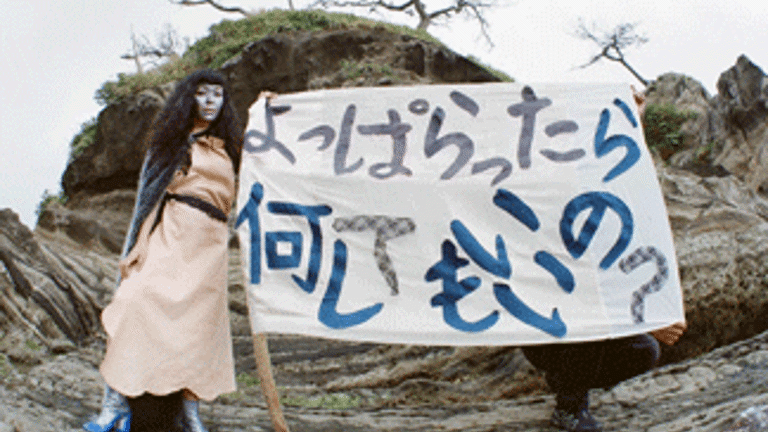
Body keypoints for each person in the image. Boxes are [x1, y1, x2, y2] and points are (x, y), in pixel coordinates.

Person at [83, 69, 244, 432]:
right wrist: (137, 246)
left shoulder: (230, 148)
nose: (209, 101)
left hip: (212, 241)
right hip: (173, 231)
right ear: (190, 97)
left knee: (200, 328)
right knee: (134, 301)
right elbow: (150, 199)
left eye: (217, 94)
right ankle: (114, 404)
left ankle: (189, 412)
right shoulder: (173, 142)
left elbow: (266, 157)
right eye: (202, 93)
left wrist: (271, 108)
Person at [521, 87, 687, 432]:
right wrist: (645, 319)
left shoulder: (616, 189)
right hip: (547, 322)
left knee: (643, 350)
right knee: (590, 321)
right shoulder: (552, 183)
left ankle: (568, 380)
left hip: (586, 321)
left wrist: (632, 119)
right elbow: (578, 280)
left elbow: (628, 181)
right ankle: (569, 405)